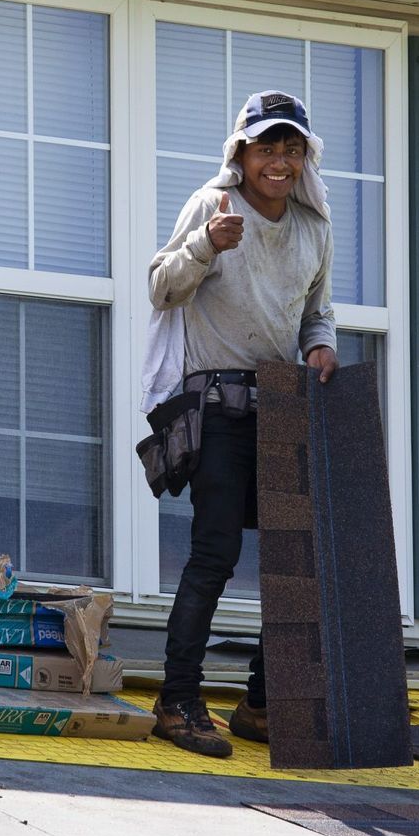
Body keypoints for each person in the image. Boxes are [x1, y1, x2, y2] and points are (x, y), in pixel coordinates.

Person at [142, 90, 338, 758]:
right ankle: (177, 700)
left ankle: (260, 704)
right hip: (216, 406)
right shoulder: (212, 206)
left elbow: (318, 311)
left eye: (290, 149)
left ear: (303, 157)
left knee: (296, 557)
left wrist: (321, 345)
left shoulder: (314, 226)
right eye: (266, 148)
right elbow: (161, 287)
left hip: (282, 404)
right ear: (241, 153)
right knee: (216, 551)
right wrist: (205, 245)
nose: (278, 162)